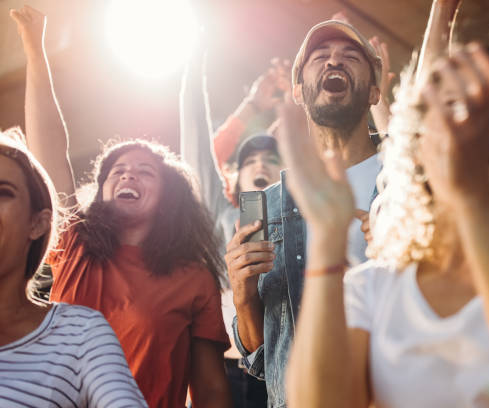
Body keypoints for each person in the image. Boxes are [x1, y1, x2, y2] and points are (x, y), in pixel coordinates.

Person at [282, 38, 489, 408]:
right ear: (421, 151)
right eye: (452, 106)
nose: (470, 121)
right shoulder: (370, 288)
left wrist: (474, 202)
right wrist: (327, 237)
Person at [11, 6, 231, 408]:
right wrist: (35, 49)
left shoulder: (195, 280)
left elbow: (211, 392)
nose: (127, 176)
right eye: (117, 171)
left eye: (145, 172)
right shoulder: (74, 245)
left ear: (169, 199)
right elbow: (48, 152)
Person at [224, 19, 384, 407]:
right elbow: (259, 359)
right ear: (297, 90)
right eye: (320, 58)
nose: (334, 63)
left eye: (350, 56)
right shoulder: (268, 205)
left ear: (376, 91)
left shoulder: (412, 180)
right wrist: (244, 297)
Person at [0, 129, 147, 407]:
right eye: (118, 170)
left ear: (38, 223)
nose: (128, 177)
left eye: (2, 193)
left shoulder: (82, 332)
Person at [180, 52, 287, 408]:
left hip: (282, 366)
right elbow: (197, 152)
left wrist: (294, 103)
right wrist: (193, 65)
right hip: (222, 372)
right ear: (235, 178)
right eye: (250, 161)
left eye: (272, 161)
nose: (260, 165)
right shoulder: (219, 219)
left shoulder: (304, 223)